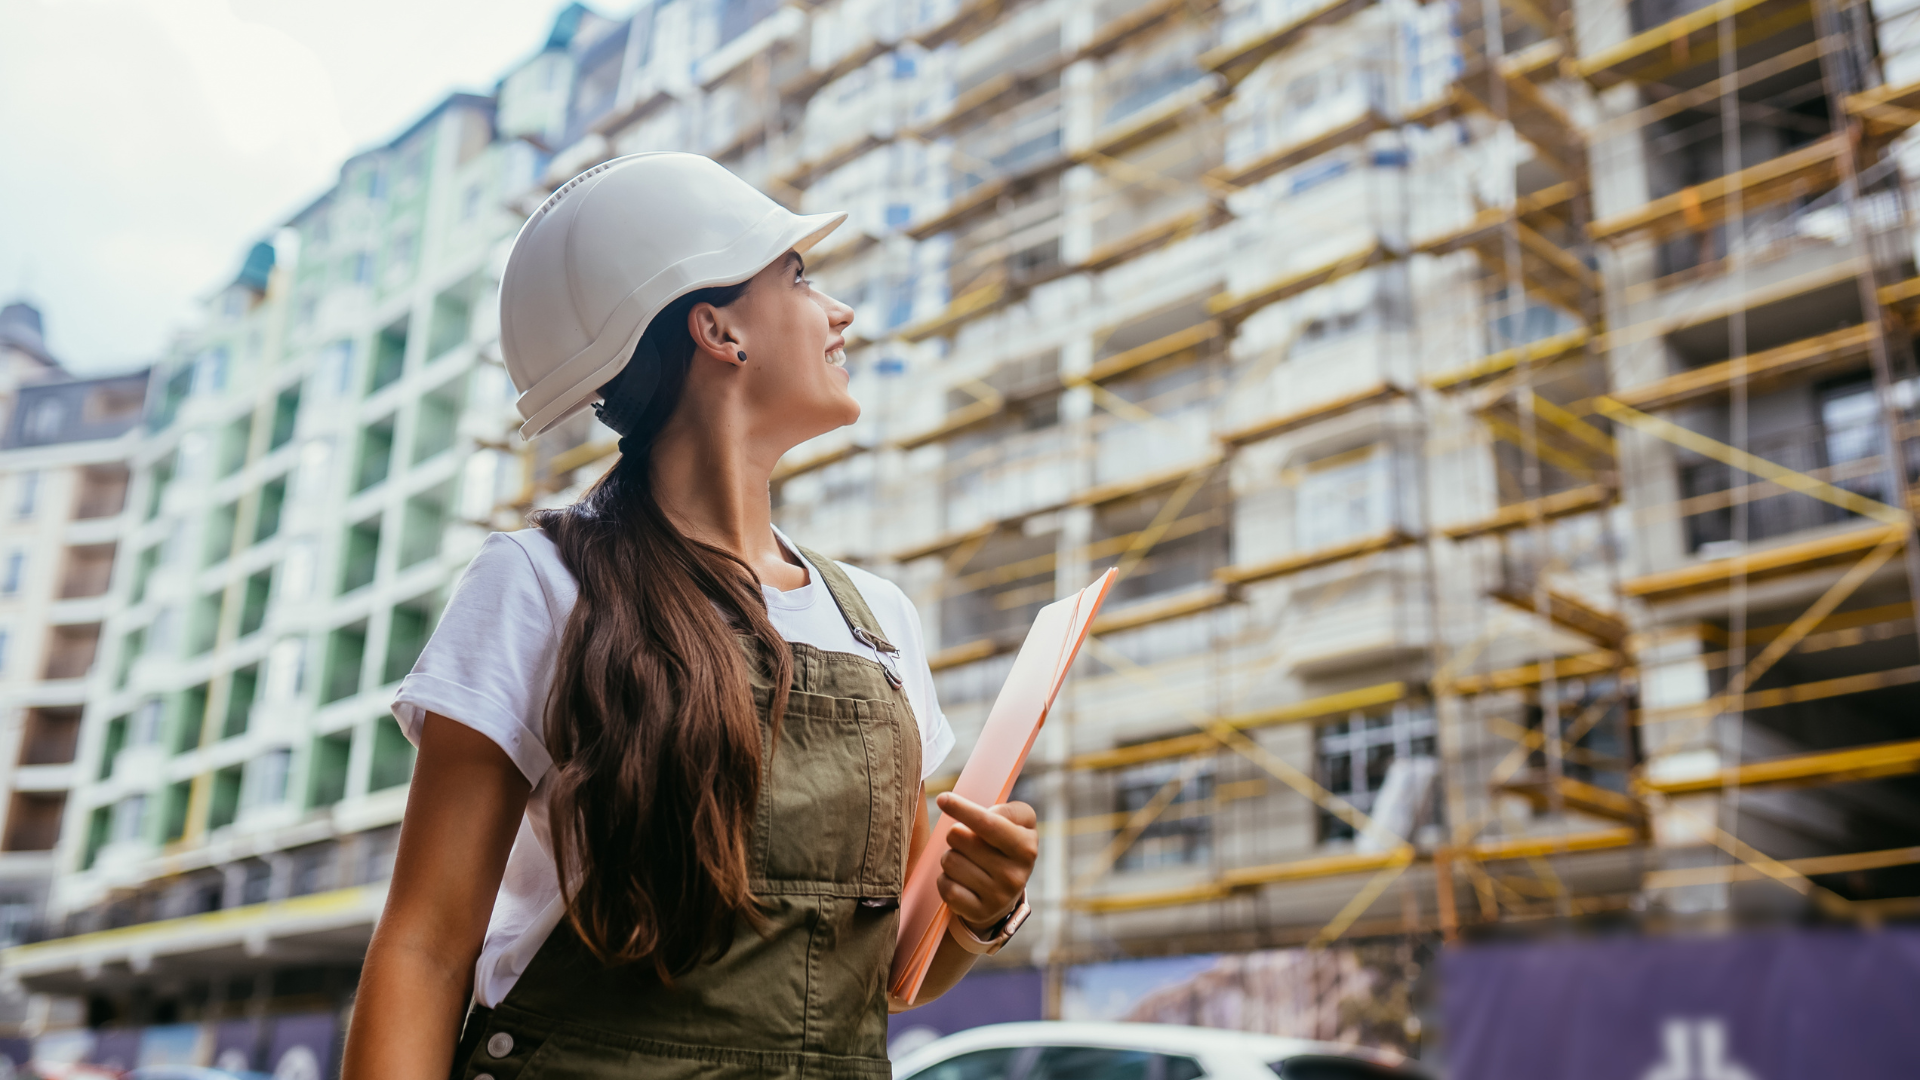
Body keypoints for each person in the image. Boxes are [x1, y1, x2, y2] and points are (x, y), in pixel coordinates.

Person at [341, 153, 1039, 1080]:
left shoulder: (879, 622)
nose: (841, 312)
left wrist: (980, 908)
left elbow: (894, 973)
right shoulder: (541, 584)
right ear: (716, 329)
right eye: (798, 276)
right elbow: (425, 948)